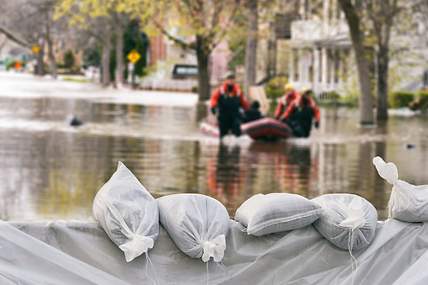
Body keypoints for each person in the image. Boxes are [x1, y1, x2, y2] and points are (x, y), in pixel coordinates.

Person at [210, 73, 249, 138]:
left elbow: (243, 101)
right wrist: (214, 107)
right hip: (224, 115)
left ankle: (237, 145)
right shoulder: (221, 90)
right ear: (226, 80)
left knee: (237, 130)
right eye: (229, 79)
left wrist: (247, 109)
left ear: (234, 80)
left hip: (235, 114)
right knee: (223, 134)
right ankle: (223, 145)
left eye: (232, 79)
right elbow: (214, 98)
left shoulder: (238, 90)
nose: (231, 80)